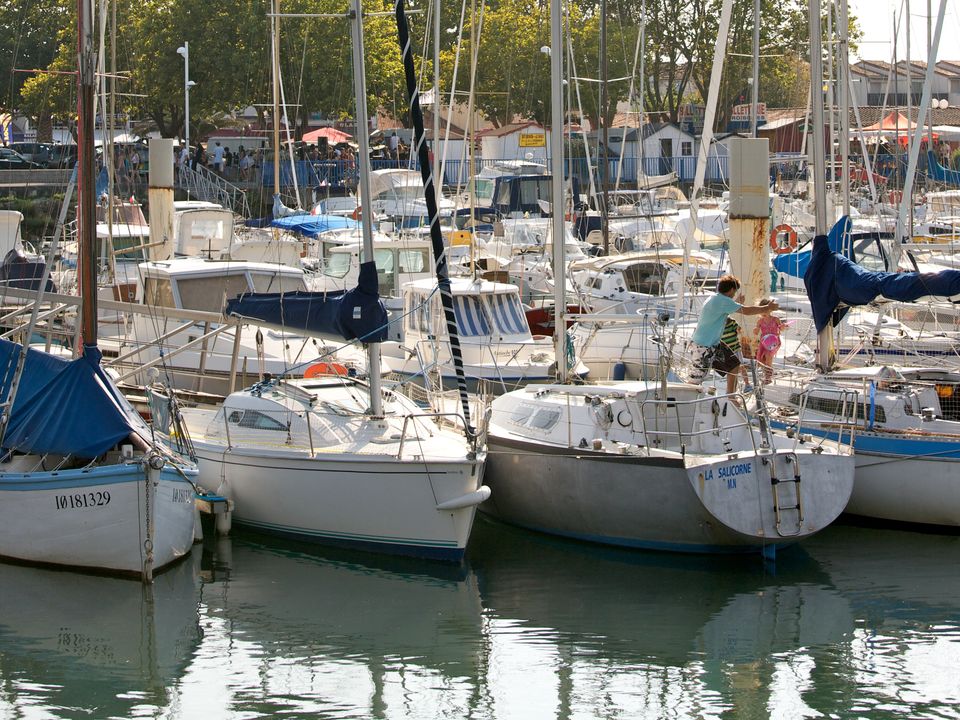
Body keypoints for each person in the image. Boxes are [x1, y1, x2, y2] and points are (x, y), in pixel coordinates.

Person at [690, 274, 778, 394]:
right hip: (704, 346)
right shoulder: (723, 301)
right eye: (735, 291)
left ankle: (731, 396)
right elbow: (746, 311)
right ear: (731, 289)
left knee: (734, 365)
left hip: (712, 343)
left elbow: (726, 309)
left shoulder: (715, 298)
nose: (734, 294)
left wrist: (736, 303)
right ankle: (685, 398)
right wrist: (767, 307)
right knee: (696, 379)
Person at [754, 306, 787, 384]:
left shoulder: (775, 319)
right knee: (760, 359)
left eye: (765, 311)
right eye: (761, 311)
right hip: (764, 342)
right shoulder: (760, 321)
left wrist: (783, 327)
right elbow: (756, 332)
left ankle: (768, 377)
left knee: (768, 356)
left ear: (770, 310)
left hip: (774, 341)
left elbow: (781, 329)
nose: (763, 313)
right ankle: (767, 373)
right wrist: (755, 330)